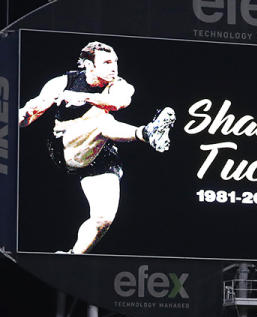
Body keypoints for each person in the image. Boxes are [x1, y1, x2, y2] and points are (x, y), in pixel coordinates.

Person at [18, 41, 175, 254]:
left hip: (101, 153)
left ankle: (71, 257)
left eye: (116, 62)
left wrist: (82, 97)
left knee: (103, 219)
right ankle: (147, 133)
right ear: (89, 66)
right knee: (102, 121)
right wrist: (24, 114)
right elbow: (30, 116)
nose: (114, 67)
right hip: (66, 148)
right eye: (107, 62)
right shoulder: (63, 82)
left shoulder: (119, 85)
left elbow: (118, 102)